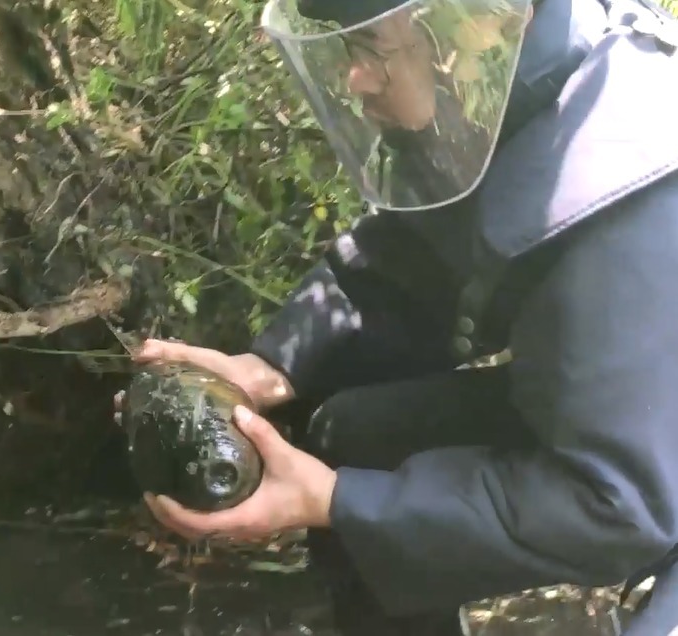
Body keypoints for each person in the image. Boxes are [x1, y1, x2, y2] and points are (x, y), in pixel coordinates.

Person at [120, 0, 678, 633]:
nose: (353, 80)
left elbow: (621, 508)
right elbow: (418, 265)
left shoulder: (625, 199)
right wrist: (270, 368)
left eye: (373, 48)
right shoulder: (521, 93)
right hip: (645, 430)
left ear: (478, 22)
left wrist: (337, 502)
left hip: (645, 479)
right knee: (359, 439)